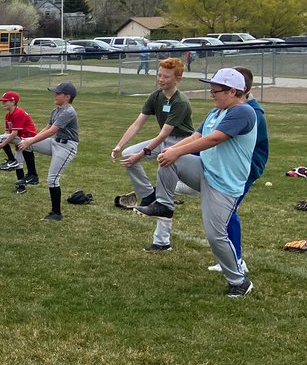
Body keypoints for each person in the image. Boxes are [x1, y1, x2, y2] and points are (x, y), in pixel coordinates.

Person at [135, 68, 258, 297]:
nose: (212, 94)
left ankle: (239, 281)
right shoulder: (216, 112)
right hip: (205, 170)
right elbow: (198, 135)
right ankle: (164, 205)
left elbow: (214, 139)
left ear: (233, 91)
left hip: (223, 184)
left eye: (216, 91)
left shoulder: (243, 112)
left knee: (215, 236)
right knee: (169, 159)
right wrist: (173, 150)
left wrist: (176, 151)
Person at [109, 57, 194, 251]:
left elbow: (165, 133)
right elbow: (137, 124)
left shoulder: (180, 102)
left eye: (166, 76)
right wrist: (119, 146)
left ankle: (162, 240)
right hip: (165, 141)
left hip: (182, 144)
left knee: (168, 188)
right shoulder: (156, 96)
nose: (161, 79)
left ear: (177, 79)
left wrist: (143, 153)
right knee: (129, 155)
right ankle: (148, 195)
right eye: (159, 74)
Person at [208, 66, 269, 275]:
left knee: (228, 212)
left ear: (237, 89)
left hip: (245, 169)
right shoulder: (230, 109)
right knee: (224, 212)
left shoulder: (250, 112)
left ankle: (237, 260)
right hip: (228, 166)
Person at [17, 82, 79, 221]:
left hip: (67, 146)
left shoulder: (69, 111)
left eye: (58, 93)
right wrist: (31, 140)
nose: (55, 95)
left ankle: (56, 213)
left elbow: (52, 131)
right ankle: (32, 175)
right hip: (55, 143)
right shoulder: (56, 110)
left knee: (52, 179)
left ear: (67, 96)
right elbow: (47, 128)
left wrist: (31, 140)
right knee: (25, 144)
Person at [0, 91, 39, 192]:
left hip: (27, 138)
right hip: (20, 138)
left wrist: (2, 144)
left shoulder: (18, 113)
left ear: (13, 102)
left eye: (5, 101)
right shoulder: (8, 115)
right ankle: (21, 188)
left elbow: (13, 134)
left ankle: (11, 160)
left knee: (1, 138)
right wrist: (3, 143)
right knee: (19, 165)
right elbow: (8, 132)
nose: (3, 103)